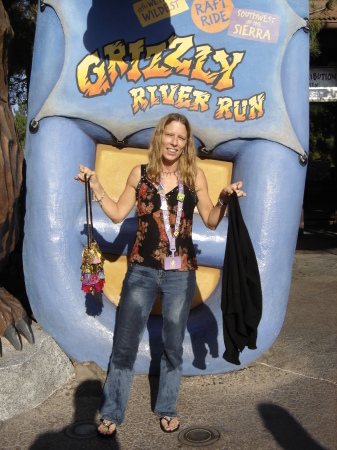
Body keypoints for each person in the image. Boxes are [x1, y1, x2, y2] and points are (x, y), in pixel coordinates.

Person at [75, 113, 246, 437]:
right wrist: (95, 185)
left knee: (171, 345)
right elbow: (115, 212)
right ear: (160, 137)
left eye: (181, 138)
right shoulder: (140, 174)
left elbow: (210, 219)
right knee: (124, 344)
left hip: (181, 275)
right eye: (169, 135)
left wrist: (224, 199)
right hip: (141, 271)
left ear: (186, 143)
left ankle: (166, 407)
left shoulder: (194, 175)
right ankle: (111, 411)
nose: (174, 142)